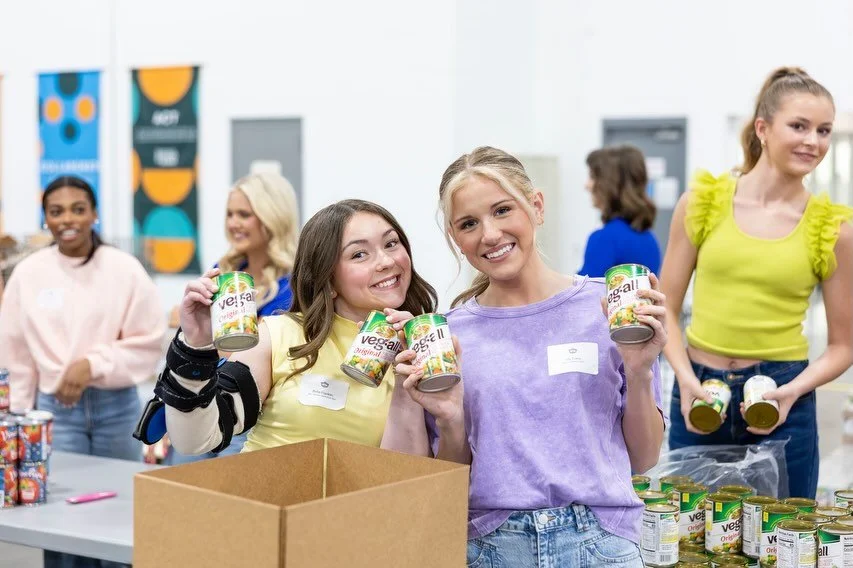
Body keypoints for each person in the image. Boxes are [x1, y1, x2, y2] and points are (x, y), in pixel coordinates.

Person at [381, 146, 668, 567]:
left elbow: (643, 458)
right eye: (468, 224)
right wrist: (450, 419)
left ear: (536, 206)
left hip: (601, 544)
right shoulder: (447, 336)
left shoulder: (607, 309)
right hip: (491, 547)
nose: (490, 235)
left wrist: (641, 371)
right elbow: (449, 484)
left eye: (502, 210)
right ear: (455, 240)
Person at [660, 67, 853, 499]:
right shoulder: (702, 204)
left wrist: (790, 392)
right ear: (763, 129)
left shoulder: (832, 228)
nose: (813, 141)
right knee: (692, 538)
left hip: (783, 396)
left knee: (783, 542)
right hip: (699, 391)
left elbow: (844, 345)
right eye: (799, 126)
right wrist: (687, 382)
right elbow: (665, 311)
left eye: (823, 130)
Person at [137, 199, 436, 458]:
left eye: (391, 243)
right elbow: (197, 440)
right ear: (328, 280)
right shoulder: (278, 336)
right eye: (359, 254)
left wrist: (405, 384)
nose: (386, 261)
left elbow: (405, 474)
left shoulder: (425, 347)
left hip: (355, 517)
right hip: (267, 514)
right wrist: (196, 344)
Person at [0, 175, 166, 568]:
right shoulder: (28, 274)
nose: (67, 219)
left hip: (118, 410)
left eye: (78, 209)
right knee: (59, 523)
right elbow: (16, 356)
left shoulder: (124, 269)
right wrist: (15, 422)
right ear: (45, 219)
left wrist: (93, 364)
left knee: (122, 519)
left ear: (94, 214)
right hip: (53, 413)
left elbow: (149, 342)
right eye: (56, 212)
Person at [162, 172, 300, 463]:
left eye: (244, 214)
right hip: (204, 402)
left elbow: (268, 357)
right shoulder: (223, 270)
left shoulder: (296, 285)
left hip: (251, 418)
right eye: (229, 214)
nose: (233, 223)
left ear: (272, 216)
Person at [579, 145, 661, 277]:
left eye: (593, 177)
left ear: (609, 183)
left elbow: (584, 295)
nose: (587, 185)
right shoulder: (649, 239)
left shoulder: (604, 239)